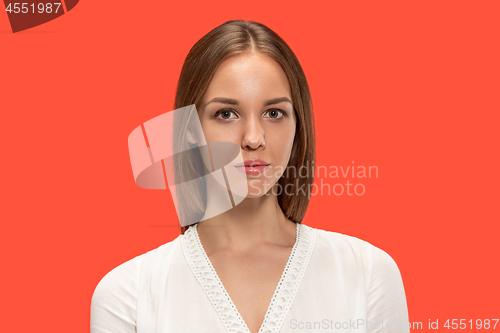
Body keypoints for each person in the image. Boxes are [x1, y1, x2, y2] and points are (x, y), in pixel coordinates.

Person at [90, 20, 410, 333]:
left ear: (298, 126)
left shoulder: (367, 274)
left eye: (274, 113)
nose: (253, 137)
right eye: (226, 114)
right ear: (189, 130)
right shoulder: (127, 295)